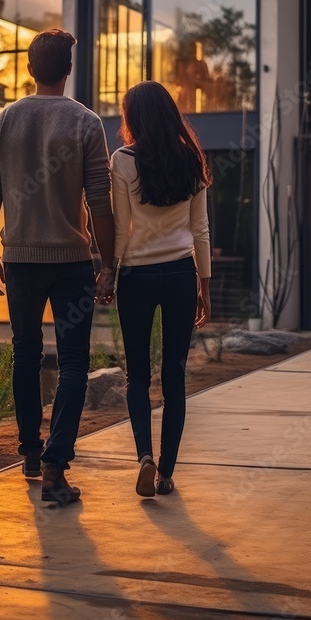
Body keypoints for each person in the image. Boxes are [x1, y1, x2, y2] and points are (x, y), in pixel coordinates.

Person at [0, 29, 115, 506]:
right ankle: (56, 464)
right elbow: (100, 202)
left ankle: (31, 455)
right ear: (68, 69)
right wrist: (109, 264)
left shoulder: (4, 120)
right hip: (72, 262)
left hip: (19, 260)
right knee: (74, 360)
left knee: (25, 354)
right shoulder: (86, 122)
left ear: (30, 68)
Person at [110, 80, 212, 498]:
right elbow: (200, 229)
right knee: (174, 375)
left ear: (133, 117)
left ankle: (144, 459)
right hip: (179, 275)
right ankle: (167, 472)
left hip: (135, 275)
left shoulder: (122, 160)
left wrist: (107, 271)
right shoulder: (191, 158)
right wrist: (204, 285)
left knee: (137, 375)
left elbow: (120, 229)